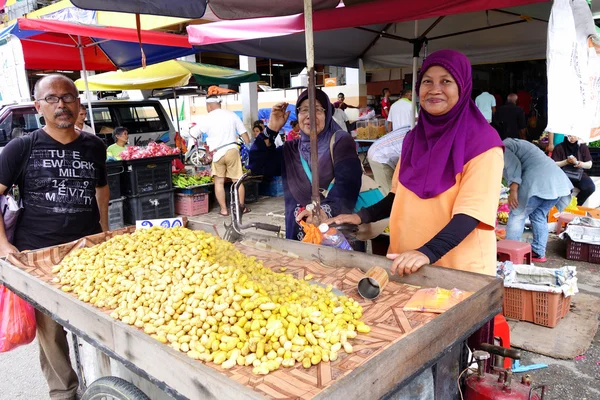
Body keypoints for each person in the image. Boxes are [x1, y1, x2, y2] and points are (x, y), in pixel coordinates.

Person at [327, 49, 505, 277]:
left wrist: (427, 252)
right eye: (427, 81)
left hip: (457, 271)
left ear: (462, 87)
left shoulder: (483, 143)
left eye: (446, 81)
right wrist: (360, 217)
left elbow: (471, 214)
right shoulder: (415, 138)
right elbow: (398, 197)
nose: (435, 89)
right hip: (406, 263)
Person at [0, 74, 109, 400]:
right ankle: (65, 394)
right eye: (52, 98)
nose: (61, 105)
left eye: (68, 97)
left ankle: (106, 385)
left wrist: (104, 231)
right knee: (52, 334)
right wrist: (4, 245)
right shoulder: (21, 147)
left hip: (87, 251)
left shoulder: (94, 146)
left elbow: (101, 189)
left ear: (78, 103)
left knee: (101, 322)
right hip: (39, 256)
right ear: (38, 106)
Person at [248, 88, 362, 244]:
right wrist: (271, 129)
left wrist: (322, 212)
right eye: (303, 110)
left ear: (327, 114)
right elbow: (257, 165)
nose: (309, 116)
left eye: (317, 110)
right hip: (298, 235)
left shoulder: (340, 142)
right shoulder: (291, 149)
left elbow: (348, 184)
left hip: (334, 235)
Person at [503, 138, 573, 262]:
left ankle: (509, 255)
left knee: (517, 215)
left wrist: (513, 190)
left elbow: (514, 167)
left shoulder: (503, 146)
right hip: (558, 183)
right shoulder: (520, 143)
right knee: (539, 215)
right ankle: (538, 252)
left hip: (539, 182)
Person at [198, 95, 250, 216]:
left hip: (217, 153)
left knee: (219, 182)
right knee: (237, 180)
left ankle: (224, 210)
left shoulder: (207, 118)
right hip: (232, 150)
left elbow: (194, 132)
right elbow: (243, 133)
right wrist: (249, 148)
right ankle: (241, 208)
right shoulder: (232, 115)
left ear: (209, 106)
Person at [551, 135, 595, 206]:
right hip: (563, 174)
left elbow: (589, 164)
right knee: (566, 190)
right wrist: (566, 162)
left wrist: (580, 164)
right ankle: (564, 207)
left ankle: (576, 205)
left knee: (590, 187)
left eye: (574, 136)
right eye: (570, 136)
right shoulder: (559, 147)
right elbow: (553, 164)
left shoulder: (582, 147)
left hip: (579, 173)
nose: (572, 138)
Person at [367, 127, 409, 195]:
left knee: (397, 190)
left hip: (381, 150)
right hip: (379, 156)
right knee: (390, 193)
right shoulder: (416, 137)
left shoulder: (415, 128)